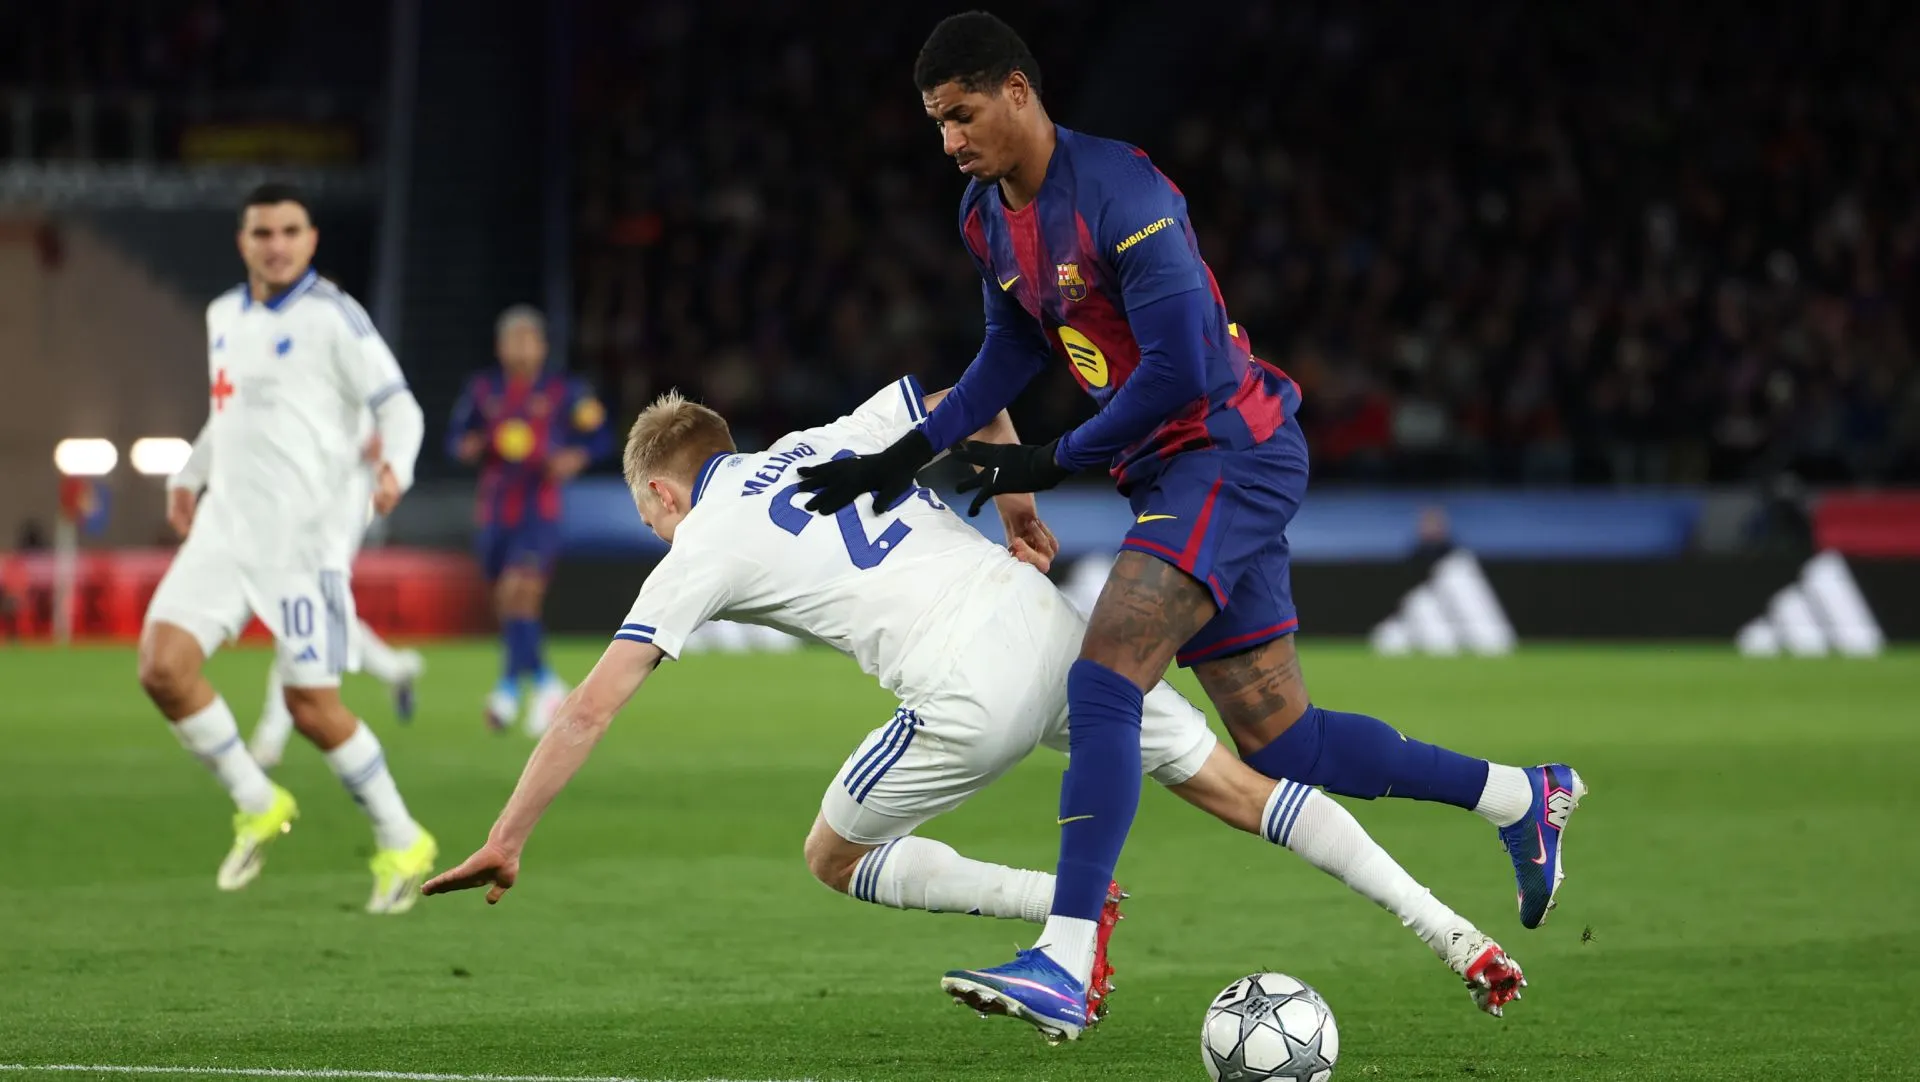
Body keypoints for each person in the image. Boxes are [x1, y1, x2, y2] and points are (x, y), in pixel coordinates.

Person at [795, 12, 1584, 1037]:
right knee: (1284, 738)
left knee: (1105, 670)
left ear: (1019, 93)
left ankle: (1066, 958)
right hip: (1169, 471)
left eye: (961, 114)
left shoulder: (1125, 193)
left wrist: (1043, 461)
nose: (949, 140)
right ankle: (1522, 797)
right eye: (937, 122)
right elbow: (1006, 351)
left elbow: (1181, 369)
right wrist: (896, 458)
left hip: (1226, 451)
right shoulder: (987, 216)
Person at [422, 380, 1527, 1041]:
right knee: (1243, 787)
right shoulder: (828, 436)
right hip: (1052, 621)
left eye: (650, 517)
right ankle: (1457, 932)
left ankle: (1064, 913)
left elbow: (588, 709)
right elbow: (967, 391)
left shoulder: (699, 541)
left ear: (662, 493)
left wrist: (506, 836)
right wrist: (1016, 501)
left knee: (834, 852)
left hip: (960, 684)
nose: (661, 532)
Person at [137, 183, 439, 914]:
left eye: (290, 231)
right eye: (262, 232)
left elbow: (400, 404)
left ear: (310, 241)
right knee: (163, 670)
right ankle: (256, 799)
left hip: (304, 543)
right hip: (225, 529)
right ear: (243, 241)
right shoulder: (223, 315)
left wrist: (396, 462)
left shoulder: (334, 318)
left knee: (311, 708)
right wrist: (191, 472)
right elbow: (231, 411)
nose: (276, 243)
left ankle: (402, 839)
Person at [163, 422, 426, 770]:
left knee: (299, 611)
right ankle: (394, 670)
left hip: (337, 504)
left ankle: (269, 741)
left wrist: (375, 451)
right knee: (318, 613)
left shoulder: (347, 375)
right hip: (297, 499)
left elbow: (376, 426)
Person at [448, 306, 612, 736]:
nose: (520, 348)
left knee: (519, 592)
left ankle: (513, 689)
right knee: (507, 603)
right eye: (512, 340)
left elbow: (601, 435)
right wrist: (472, 445)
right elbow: (456, 439)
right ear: (500, 347)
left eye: (528, 340)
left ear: (541, 346)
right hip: (495, 511)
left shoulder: (564, 391)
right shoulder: (483, 390)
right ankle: (537, 684)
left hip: (539, 509)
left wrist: (577, 456)